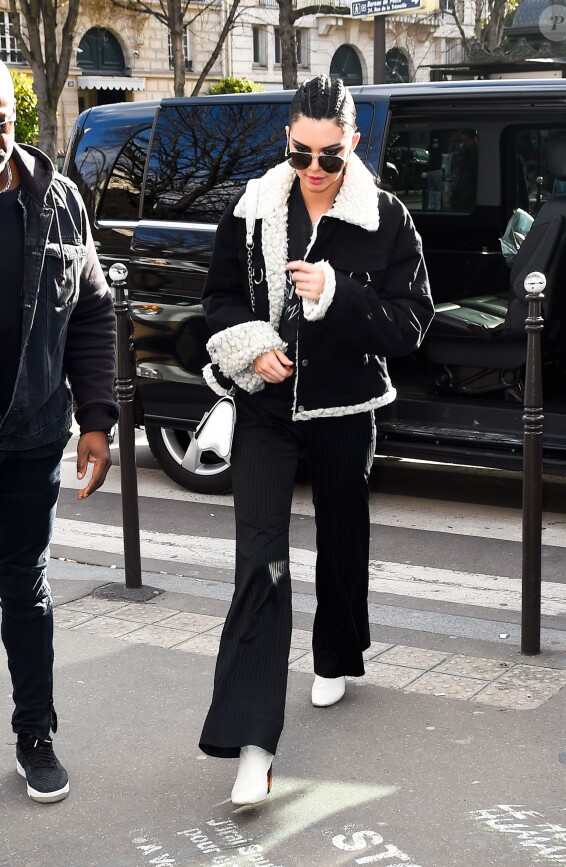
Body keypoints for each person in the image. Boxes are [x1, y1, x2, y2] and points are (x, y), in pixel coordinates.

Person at [199, 74, 434, 806]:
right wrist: (248, 345)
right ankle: (253, 742)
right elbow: (218, 300)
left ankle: (335, 652)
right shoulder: (254, 204)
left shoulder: (385, 217)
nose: (313, 170)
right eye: (301, 152)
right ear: (288, 140)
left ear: (353, 143)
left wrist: (339, 297)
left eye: (329, 156)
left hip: (345, 408)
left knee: (342, 541)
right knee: (260, 567)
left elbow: (411, 323)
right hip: (266, 410)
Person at [0, 61, 118, 803]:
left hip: (32, 433)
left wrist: (99, 420)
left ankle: (35, 732)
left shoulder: (57, 202)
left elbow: (95, 311)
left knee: (25, 588)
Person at [451, 127, 478, 211]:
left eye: (466, 141)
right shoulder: (464, 151)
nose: (464, 143)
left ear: (473, 139)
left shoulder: (477, 154)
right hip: (463, 187)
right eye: (462, 141)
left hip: (471, 190)